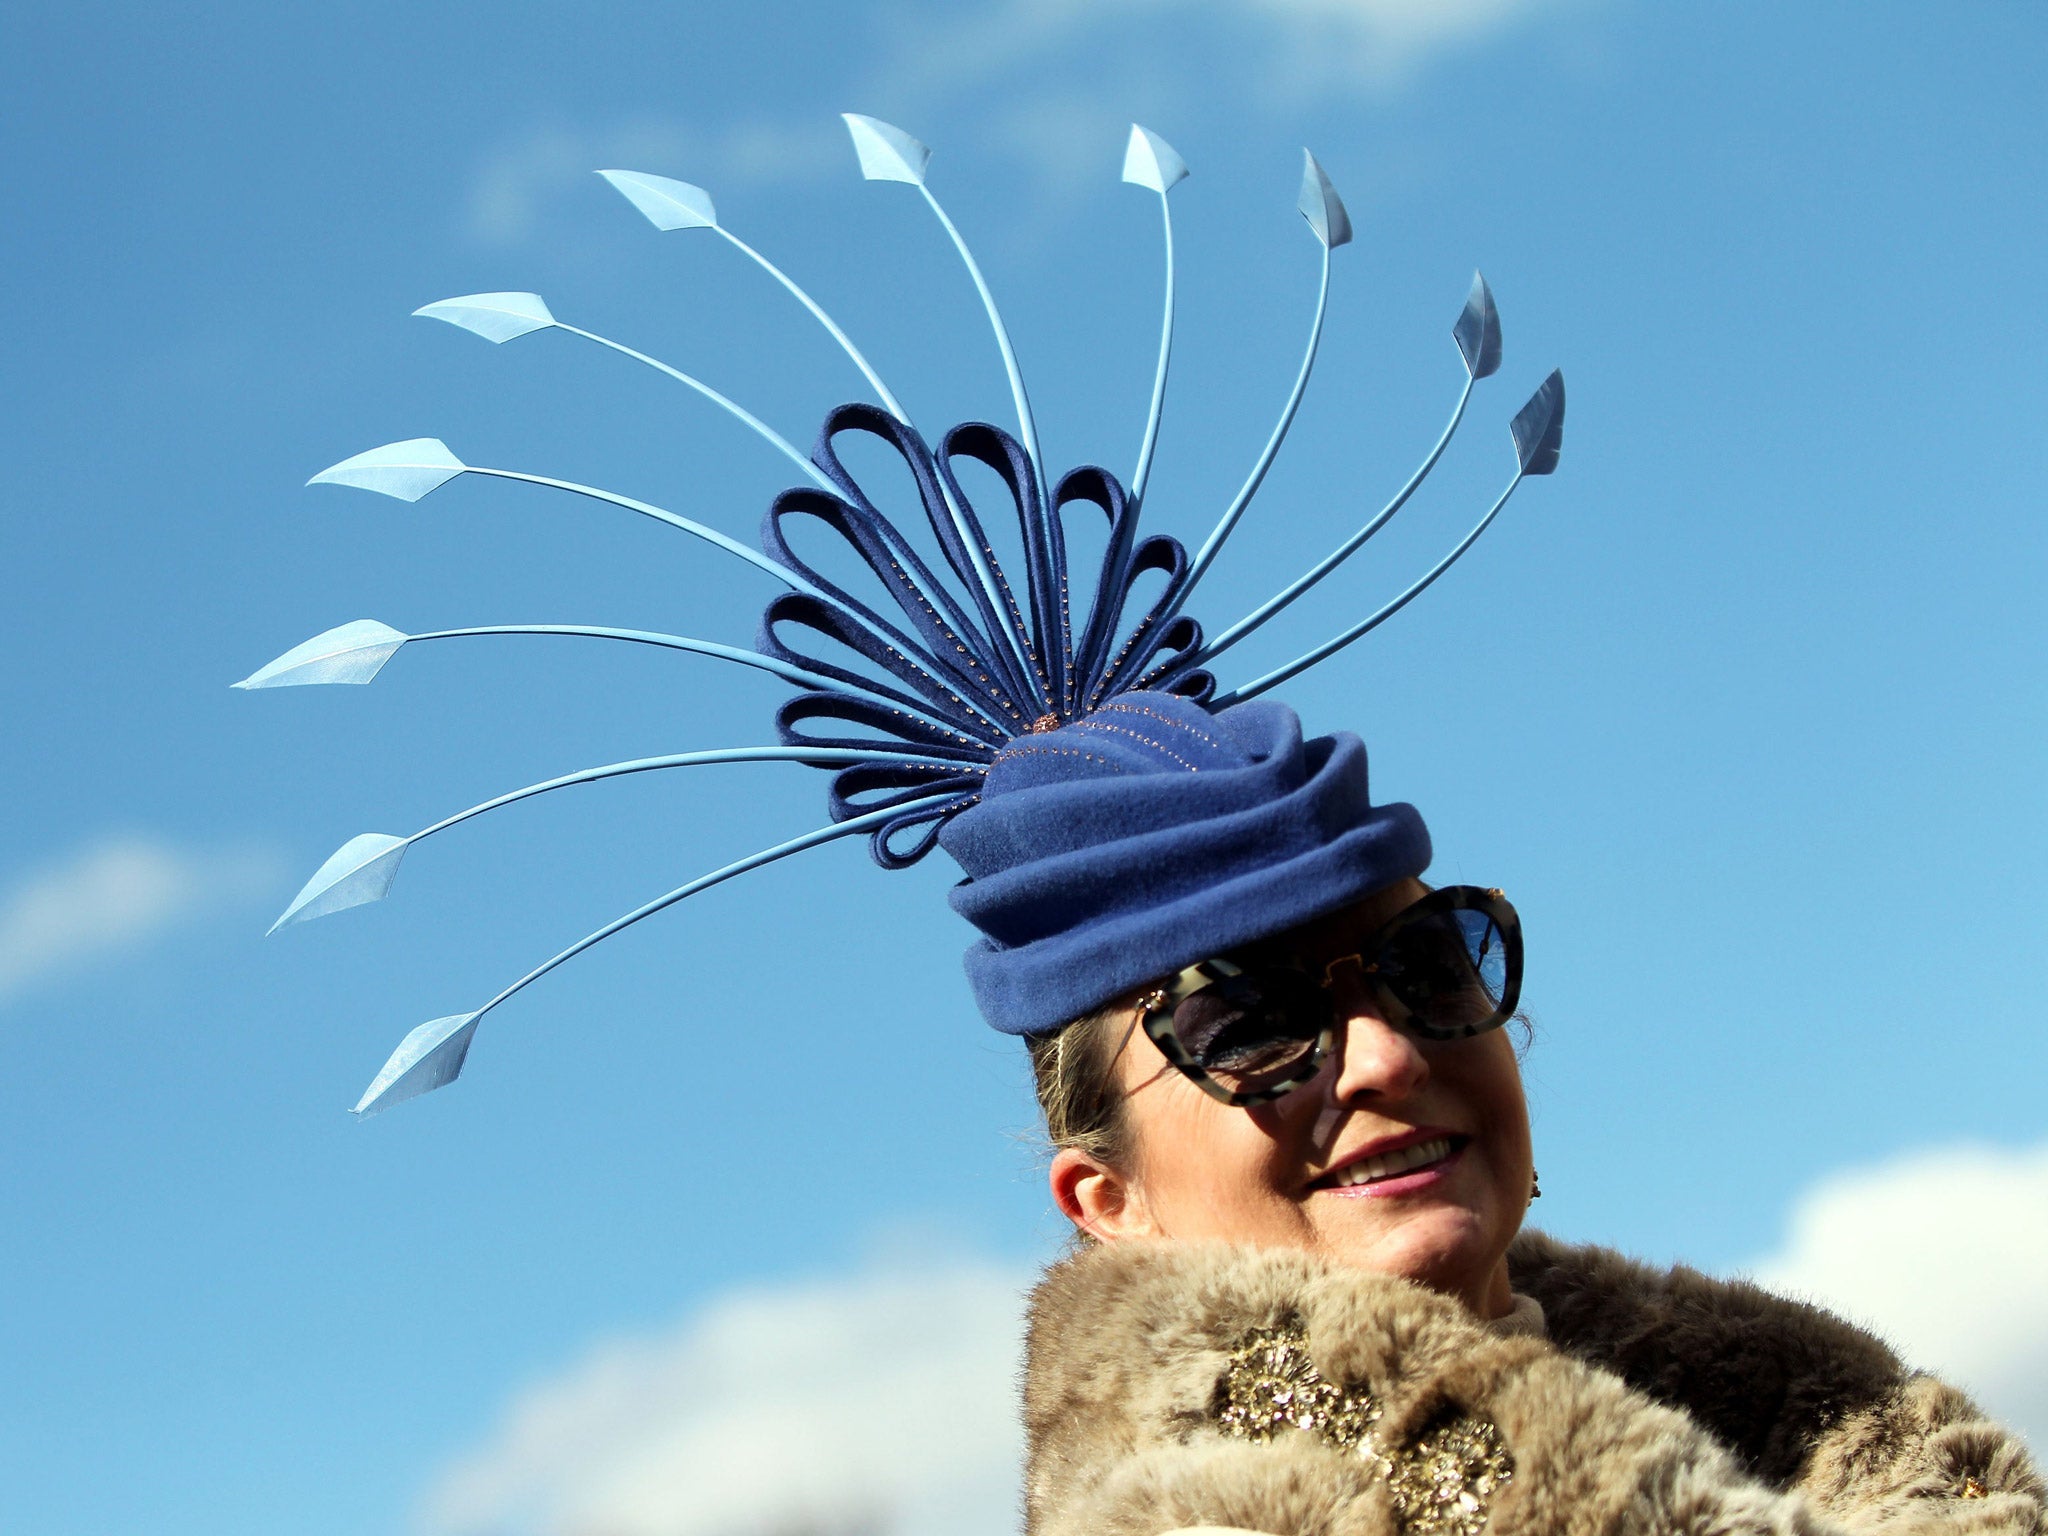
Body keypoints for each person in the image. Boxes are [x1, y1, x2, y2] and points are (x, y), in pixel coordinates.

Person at [915, 697, 2047, 1536]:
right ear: (1107, 1203)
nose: (1387, 1056)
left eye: (1427, 963)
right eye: (1248, 1021)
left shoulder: (1824, 1438)